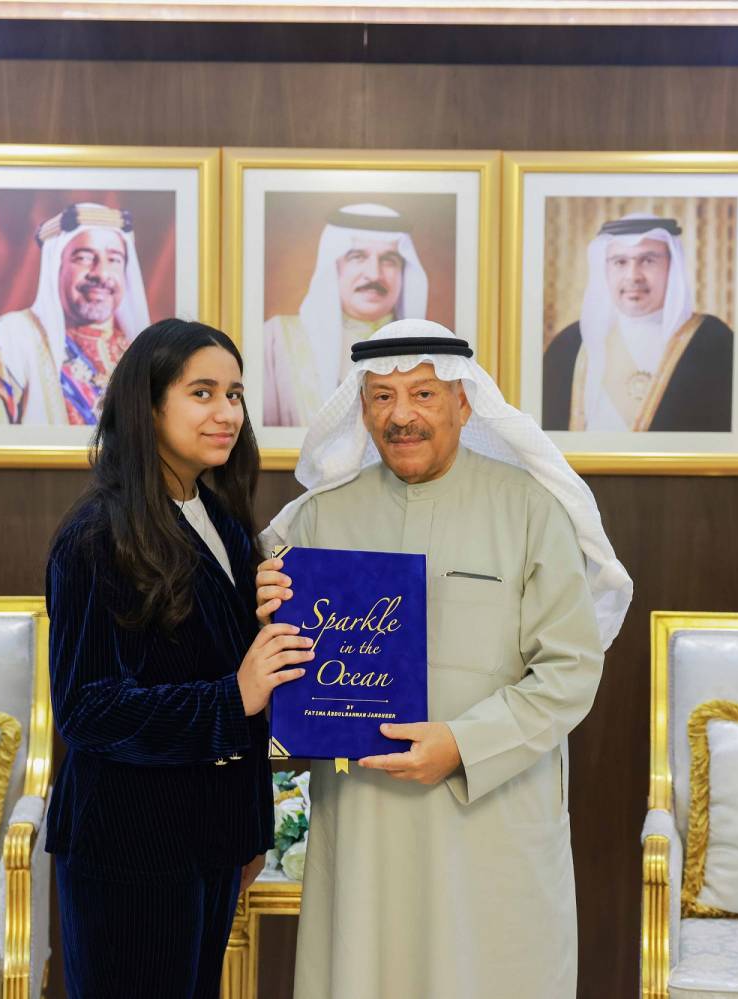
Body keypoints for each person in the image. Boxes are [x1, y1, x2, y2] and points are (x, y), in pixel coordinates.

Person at [256, 319, 633, 999]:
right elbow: (279, 674)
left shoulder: (530, 509)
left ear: (464, 402)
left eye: (424, 394)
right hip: (365, 822)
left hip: (490, 819)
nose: (401, 415)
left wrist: (463, 744)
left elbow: (571, 668)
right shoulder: (316, 521)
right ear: (361, 408)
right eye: (382, 396)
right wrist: (266, 618)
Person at [43, 318, 314, 998]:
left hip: (211, 841)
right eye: (202, 393)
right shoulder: (95, 536)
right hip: (128, 848)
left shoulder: (221, 520)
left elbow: (221, 664)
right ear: (148, 404)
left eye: (235, 394)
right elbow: (87, 709)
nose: (228, 413)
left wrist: (247, 830)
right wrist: (232, 694)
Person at [542, 212, 734, 432]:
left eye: (648, 261)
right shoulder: (569, 345)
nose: (633, 276)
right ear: (605, 269)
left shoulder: (712, 342)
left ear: (672, 267)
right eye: (620, 262)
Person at [0, 202, 153, 426]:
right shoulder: (12, 338)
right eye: (84, 258)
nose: (102, 273)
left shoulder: (145, 355)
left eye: (114, 259)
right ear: (56, 267)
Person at [264, 203, 429, 427]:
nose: (374, 274)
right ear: (334, 267)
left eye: (388, 260)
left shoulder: (432, 349)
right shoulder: (277, 340)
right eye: (357, 257)